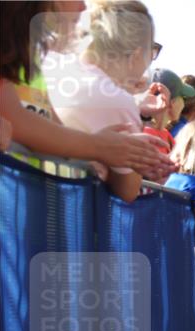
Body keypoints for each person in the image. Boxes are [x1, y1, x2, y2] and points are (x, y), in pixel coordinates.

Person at [0, 1, 170, 177]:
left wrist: (90, 151)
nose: (83, 6)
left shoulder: (30, 56)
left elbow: (45, 122)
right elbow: (16, 119)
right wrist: (99, 147)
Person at [44, 0, 164, 201]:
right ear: (135, 56)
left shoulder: (53, 67)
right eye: (150, 53)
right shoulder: (118, 102)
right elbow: (128, 190)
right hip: (72, 215)